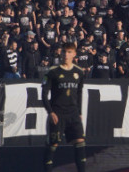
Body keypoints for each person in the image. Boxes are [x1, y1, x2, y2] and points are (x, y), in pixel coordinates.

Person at [42, 42, 86, 172]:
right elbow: (44, 95)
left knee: (80, 143)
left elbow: (79, 93)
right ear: (60, 53)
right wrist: (50, 112)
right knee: (53, 145)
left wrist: (80, 112)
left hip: (73, 113)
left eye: (69, 52)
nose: (66, 55)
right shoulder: (53, 72)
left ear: (74, 54)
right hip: (58, 113)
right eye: (64, 52)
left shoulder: (79, 72)